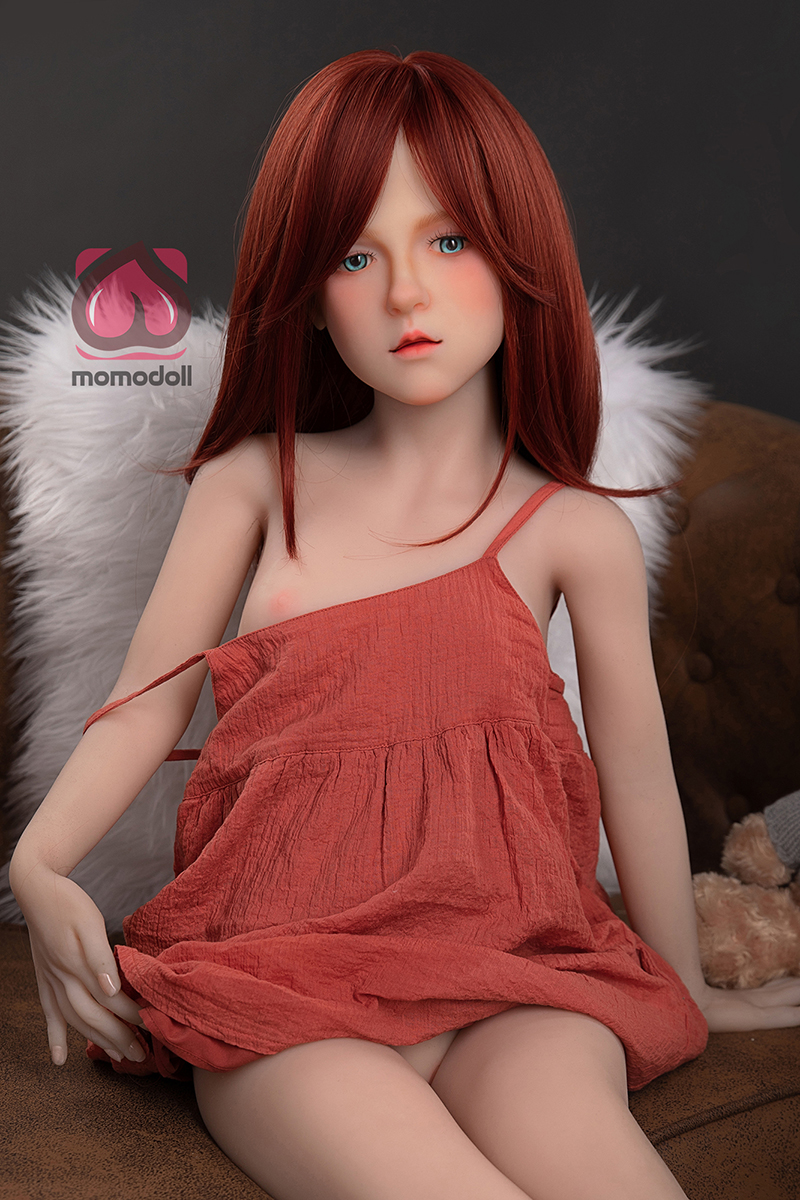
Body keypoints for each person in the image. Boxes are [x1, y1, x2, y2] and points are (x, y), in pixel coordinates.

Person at [9, 49, 800, 1200]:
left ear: (517, 255)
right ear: (307, 293)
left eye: (448, 241)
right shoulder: (252, 483)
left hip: (520, 976)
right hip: (286, 984)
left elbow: (630, 767)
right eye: (353, 255)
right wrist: (38, 864)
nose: (404, 296)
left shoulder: (570, 527)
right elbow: (142, 706)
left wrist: (682, 988)